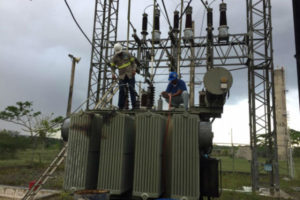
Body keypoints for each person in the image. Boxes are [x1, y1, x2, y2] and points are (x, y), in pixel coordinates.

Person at [110, 43, 137, 109]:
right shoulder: (114, 58)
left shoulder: (127, 54)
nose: (119, 53)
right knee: (121, 90)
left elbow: (133, 63)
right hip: (122, 76)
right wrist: (113, 74)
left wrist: (134, 70)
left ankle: (134, 106)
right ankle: (120, 106)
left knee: (132, 90)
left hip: (130, 74)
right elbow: (112, 67)